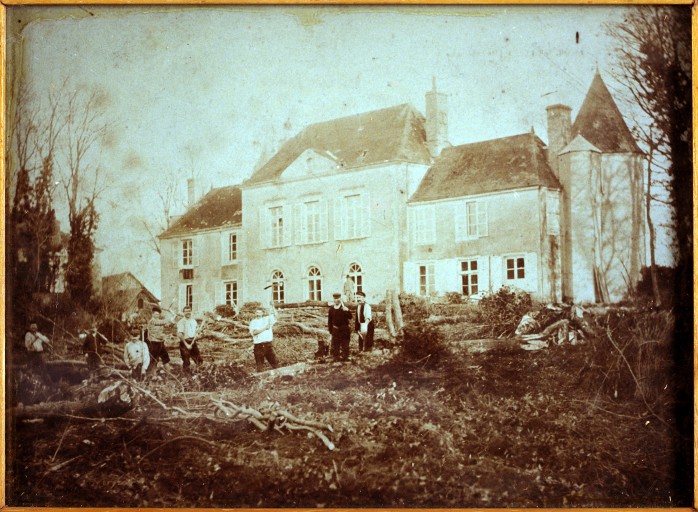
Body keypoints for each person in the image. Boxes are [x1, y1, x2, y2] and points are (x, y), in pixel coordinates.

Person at [248, 301, 279, 372]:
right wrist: (265, 328)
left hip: (268, 345)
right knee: (259, 367)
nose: (258, 314)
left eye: (260, 312)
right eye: (257, 312)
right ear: (255, 313)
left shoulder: (267, 319)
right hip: (258, 346)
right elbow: (254, 332)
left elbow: (277, 316)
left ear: (262, 313)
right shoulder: (253, 322)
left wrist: (273, 306)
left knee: (275, 364)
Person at [176, 306, 203, 374]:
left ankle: (197, 374)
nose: (188, 312)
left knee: (199, 360)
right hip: (184, 343)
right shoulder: (181, 322)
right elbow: (180, 335)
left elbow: (196, 331)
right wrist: (186, 344)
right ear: (183, 312)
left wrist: (199, 331)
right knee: (186, 361)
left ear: (191, 311)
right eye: (186, 311)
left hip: (193, 342)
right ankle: (186, 377)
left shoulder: (193, 321)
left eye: (189, 311)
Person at [328, 292, 352, 362]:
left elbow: (350, 317)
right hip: (335, 329)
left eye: (337, 299)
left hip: (344, 329)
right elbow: (330, 321)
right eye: (334, 299)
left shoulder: (344, 308)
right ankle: (336, 357)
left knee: (345, 344)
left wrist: (347, 311)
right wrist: (330, 331)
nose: (336, 300)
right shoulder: (331, 309)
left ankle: (346, 356)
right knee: (336, 344)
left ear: (340, 299)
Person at [147, 306, 172, 372]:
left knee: (165, 358)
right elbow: (161, 323)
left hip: (161, 342)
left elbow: (167, 324)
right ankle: (152, 374)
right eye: (155, 314)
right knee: (153, 359)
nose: (157, 315)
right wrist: (168, 318)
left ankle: (169, 374)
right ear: (152, 314)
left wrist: (171, 322)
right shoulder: (152, 321)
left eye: (158, 314)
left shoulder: (160, 321)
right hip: (154, 343)